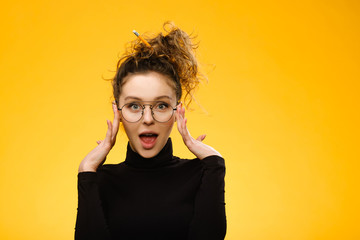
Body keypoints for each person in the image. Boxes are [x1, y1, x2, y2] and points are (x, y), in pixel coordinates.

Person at [75, 22, 226, 240]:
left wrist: (214, 163)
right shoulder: (101, 179)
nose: (147, 119)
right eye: (134, 106)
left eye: (161, 105)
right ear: (118, 112)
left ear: (177, 112)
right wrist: (87, 170)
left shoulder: (201, 174)